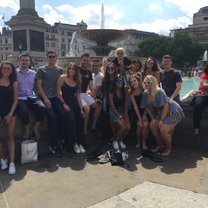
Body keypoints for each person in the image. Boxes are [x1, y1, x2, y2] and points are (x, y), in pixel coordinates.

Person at [141, 75, 184, 156]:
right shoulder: (145, 94)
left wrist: (161, 120)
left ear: (153, 83)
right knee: (152, 125)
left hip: (173, 111)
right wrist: (153, 118)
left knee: (163, 130)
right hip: (161, 113)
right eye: (145, 82)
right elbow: (147, 107)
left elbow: (166, 105)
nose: (146, 84)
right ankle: (160, 145)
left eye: (148, 82)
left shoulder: (159, 92)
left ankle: (168, 149)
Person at [36, 51, 64, 157]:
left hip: (55, 97)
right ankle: (52, 145)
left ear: (56, 58)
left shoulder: (60, 70)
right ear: (47, 58)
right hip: (45, 98)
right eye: (50, 57)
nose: (52, 58)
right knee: (52, 117)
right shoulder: (41, 70)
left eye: (54, 56)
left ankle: (60, 139)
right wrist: (45, 98)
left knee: (62, 113)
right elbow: (38, 86)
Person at [56, 63, 86, 153]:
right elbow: (57, 92)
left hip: (75, 103)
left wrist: (81, 109)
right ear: (67, 69)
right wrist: (63, 103)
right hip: (66, 102)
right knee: (71, 121)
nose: (71, 70)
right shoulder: (62, 78)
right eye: (70, 68)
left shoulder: (78, 80)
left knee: (80, 121)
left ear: (76, 71)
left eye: (73, 69)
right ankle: (74, 143)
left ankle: (81, 143)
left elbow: (78, 96)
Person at [16, 53, 45, 140]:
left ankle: (35, 127)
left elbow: (36, 86)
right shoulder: (15, 73)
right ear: (19, 61)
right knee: (23, 110)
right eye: (23, 60)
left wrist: (36, 96)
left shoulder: (34, 73)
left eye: (26, 60)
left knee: (42, 107)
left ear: (29, 62)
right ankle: (27, 129)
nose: (25, 62)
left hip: (31, 96)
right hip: (20, 98)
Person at [0, 61, 18, 174]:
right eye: (4, 68)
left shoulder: (14, 83)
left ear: (12, 71)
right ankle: (2, 160)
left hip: (11, 112)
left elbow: (16, 100)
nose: (6, 70)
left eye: (8, 69)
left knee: (10, 135)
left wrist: (10, 114)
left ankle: (12, 162)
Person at [78, 53, 102, 137]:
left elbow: (91, 86)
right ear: (81, 59)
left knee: (98, 106)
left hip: (84, 94)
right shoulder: (76, 69)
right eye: (84, 60)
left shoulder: (88, 71)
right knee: (87, 108)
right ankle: (84, 131)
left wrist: (95, 97)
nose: (86, 62)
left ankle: (93, 127)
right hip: (76, 94)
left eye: (87, 61)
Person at [108, 75, 130, 150]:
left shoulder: (124, 91)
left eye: (122, 81)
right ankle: (115, 141)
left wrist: (126, 114)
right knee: (123, 126)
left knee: (128, 127)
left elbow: (125, 103)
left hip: (123, 110)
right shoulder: (111, 92)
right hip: (114, 111)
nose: (120, 83)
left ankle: (120, 140)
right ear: (115, 82)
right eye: (118, 81)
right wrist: (119, 116)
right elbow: (112, 106)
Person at [129, 75, 149, 149]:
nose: (133, 83)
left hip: (146, 111)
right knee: (139, 125)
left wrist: (144, 115)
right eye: (131, 82)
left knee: (146, 125)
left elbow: (148, 104)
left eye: (134, 81)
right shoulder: (131, 93)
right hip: (136, 113)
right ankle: (138, 141)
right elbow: (135, 106)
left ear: (138, 81)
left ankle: (144, 142)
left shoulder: (145, 90)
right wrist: (139, 119)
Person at [193, 65, 208, 136]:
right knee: (198, 106)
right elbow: (204, 85)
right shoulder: (204, 75)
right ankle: (196, 127)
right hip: (203, 94)